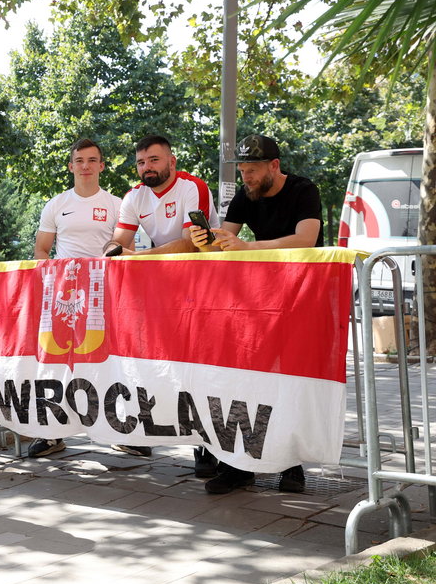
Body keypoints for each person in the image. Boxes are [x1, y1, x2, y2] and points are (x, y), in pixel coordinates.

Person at [189, 133, 323, 495]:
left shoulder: (302, 190)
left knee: (290, 380)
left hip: (303, 297)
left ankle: (292, 466)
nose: (246, 177)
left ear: (274, 166)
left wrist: (250, 246)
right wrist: (207, 244)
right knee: (244, 379)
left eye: (252, 170)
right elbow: (224, 244)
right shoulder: (244, 196)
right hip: (261, 300)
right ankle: (237, 465)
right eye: (243, 170)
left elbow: (306, 238)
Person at [103, 134, 220, 466]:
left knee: (200, 368)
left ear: (172, 161)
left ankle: (207, 444)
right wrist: (115, 253)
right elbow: (117, 244)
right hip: (161, 289)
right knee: (154, 364)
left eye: (154, 160)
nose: (146, 167)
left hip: (202, 287)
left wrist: (136, 257)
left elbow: (188, 245)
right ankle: (144, 434)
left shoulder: (192, 186)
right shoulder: (134, 196)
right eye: (141, 162)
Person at [26, 138, 123, 458]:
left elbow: (123, 247)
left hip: (105, 295)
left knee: (111, 362)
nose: (85, 166)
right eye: (79, 160)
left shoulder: (117, 204)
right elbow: (42, 250)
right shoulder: (55, 204)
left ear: (102, 166)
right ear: (70, 166)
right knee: (57, 366)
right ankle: (53, 433)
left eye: (92, 160)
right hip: (63, 300)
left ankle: (123, 432)